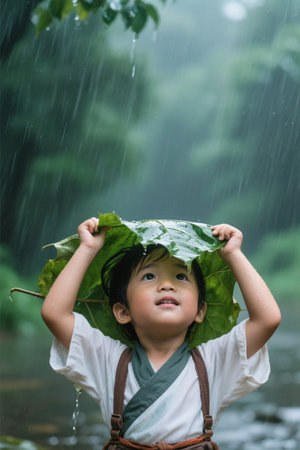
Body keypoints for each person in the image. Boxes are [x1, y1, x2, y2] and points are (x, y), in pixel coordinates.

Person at [41, 217, 281, 447]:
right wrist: (87, 248)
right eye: (149, 276)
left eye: (180, 276)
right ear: (123, 311)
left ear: (200, 311)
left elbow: (267, 320)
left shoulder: (213, 362)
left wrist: (233, 254)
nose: (167, 285)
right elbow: (55, 314)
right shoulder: (108, 359)